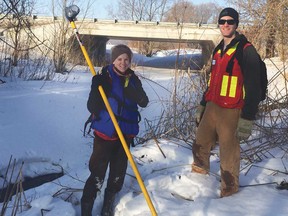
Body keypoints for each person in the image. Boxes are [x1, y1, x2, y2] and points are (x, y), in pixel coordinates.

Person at [192, 7, 262, 197]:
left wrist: (247, 117)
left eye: (230, 21)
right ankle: (198, 180)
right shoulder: (218, 48)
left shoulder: (246, 50)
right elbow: (212, 81)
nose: (225, 25)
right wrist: (202, 104)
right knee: (200, 143)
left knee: (228, 153)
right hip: (213, 106)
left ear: (236, 24)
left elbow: (254, 86)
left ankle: (229, 192)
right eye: (222, 21)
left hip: (232, 110)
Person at [81, 44, 149, 216]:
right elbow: (91, 107)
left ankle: (107, 206)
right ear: (113, 60)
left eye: (126, 59)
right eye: (119, 59)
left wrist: (133, 92)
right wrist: (96, 89)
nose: (123, 63)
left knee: (117, 175)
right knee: (97, 174)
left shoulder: (133, 79)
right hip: (105, 135)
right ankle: (86, 209)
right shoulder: (104, 77)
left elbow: (144, 102)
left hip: (124, 136)